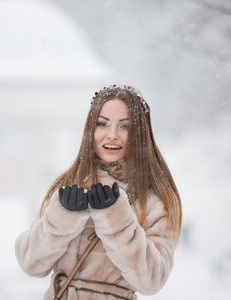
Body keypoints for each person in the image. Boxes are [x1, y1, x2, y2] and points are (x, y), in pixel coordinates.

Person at [15, 84, 182, 299]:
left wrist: (117, 221)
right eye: (103, 124)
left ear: (140, 134)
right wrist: (60, 221)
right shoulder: (70, 184)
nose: (112, 135)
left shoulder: (153, 201)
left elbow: (152, 280)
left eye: (124, 126)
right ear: (91, 130)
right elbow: (30, 264)